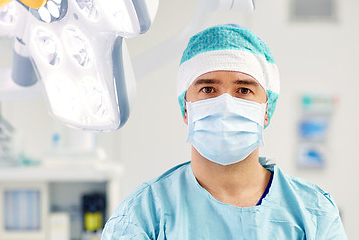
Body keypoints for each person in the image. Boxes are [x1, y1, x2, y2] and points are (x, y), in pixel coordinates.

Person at [101, 24, 347, 239]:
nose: (226, 105)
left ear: (266, 110)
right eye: (208, 90)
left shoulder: (313, 212)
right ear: (186, 108)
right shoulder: (142, 216)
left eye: (243, 90)